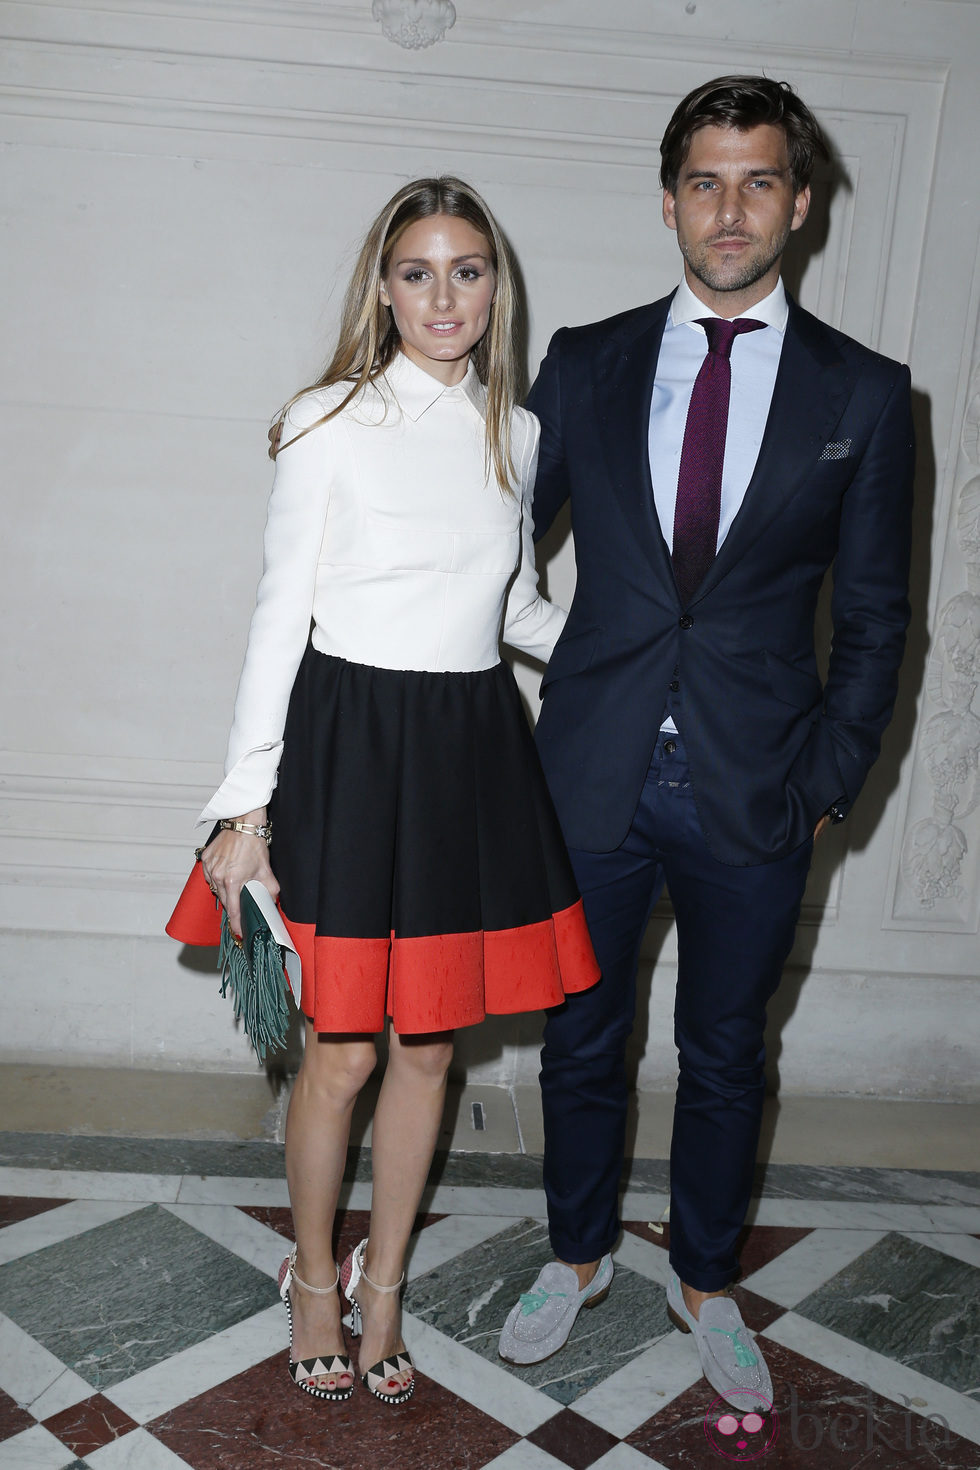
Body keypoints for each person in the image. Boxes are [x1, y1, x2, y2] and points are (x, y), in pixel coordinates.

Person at [498, 76, 914, 1411]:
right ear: (670, 194)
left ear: (799, 201)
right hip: (591, 778)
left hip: (758, 791)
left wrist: (827, 788)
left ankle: (707, 1275)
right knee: (580, 1038)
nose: (729, 210)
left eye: (758, 182)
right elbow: (488, 546)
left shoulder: (868, 394)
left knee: (729, 1050)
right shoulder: (587, 359)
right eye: (704, 180)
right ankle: (575, 1251)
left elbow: (876, 620)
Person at [167, 176, 598, 1407]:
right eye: (417, 271)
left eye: (466, 270)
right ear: (382, 286)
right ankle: (311, 1277)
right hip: (349, 747)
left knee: (429, 1051)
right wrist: (244, 813)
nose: (442, 295)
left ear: (493, 287)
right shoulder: (326, 419)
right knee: (341, 1052)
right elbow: (276, 621)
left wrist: (635, 665)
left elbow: (509, 608)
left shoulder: (516, 434)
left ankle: (385, 1286)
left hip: (470, 752)